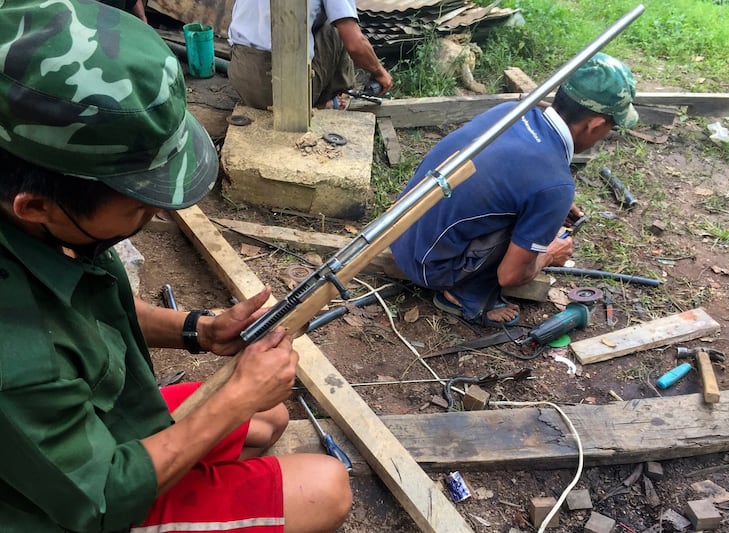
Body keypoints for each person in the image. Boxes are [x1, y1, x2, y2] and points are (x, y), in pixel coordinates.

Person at [0, 2, 351, 532]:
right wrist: (233, 398)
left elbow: (85, 307)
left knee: (268, 417)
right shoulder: (14, 355)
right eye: (140, 204)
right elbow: (96, 498)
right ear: (36, 205)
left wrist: (199, 329)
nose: (160, 213)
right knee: (326, 488)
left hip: (80, 424)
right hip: (60, 505)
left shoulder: (43, 220)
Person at [390, 53, 638, 328]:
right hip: (425, 266)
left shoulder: (513, 111)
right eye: (612, 127)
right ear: (595, 124)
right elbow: (511, 276)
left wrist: (549, 206)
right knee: (526, 247)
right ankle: (464, 297)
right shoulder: (554, 184)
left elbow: (503, 174)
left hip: (398, 227)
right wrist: (550, 254)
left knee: (526, 212)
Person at [227, 0, 393, 110]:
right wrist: (379, 72)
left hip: (242, 78)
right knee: (339, 27)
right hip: (281, 93)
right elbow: (355, 45)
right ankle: (333, 100)